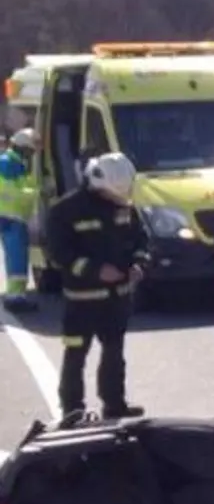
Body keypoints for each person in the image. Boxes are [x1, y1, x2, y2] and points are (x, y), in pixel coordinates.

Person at [44, 152, 147, 425]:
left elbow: (141, 240)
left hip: (118, 299)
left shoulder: (124, 205)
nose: (118, 200)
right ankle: (72, 412)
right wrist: (94, 270)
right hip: (82, 301)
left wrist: (138, 264)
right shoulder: (65, 210)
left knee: (115, 353)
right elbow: (58, 254)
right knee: (75, 355)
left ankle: (115, 405)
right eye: (113, 195)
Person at [0, 128, 39, 313]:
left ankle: (16, 296)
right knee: (16, 259)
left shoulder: (17, 163)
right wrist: (36, 194)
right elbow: (11, 192)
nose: (32, 153)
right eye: (30, 150)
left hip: (15, 217)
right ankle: (15, 298)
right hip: (10, 217)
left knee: (18, 258)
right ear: (22, 147)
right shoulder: (7, 164)